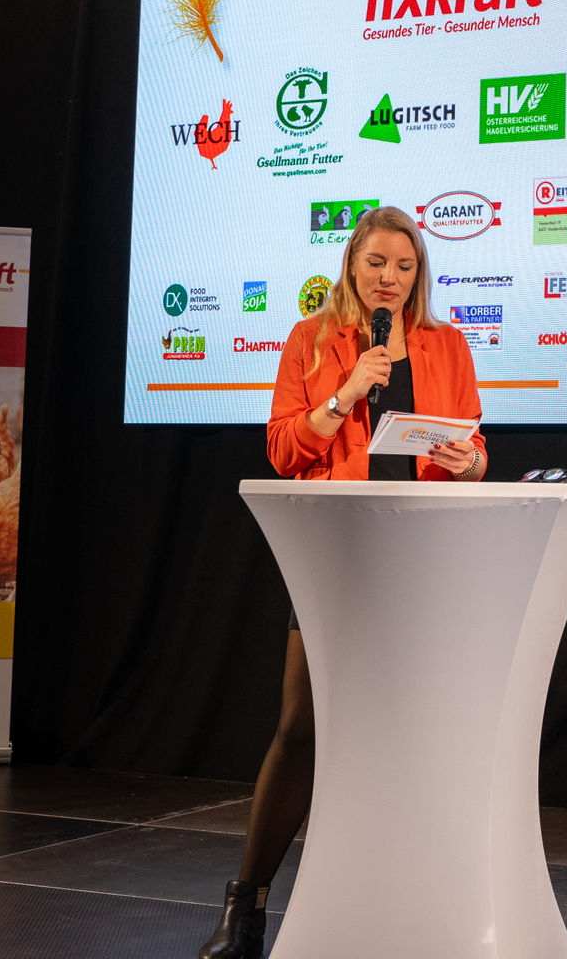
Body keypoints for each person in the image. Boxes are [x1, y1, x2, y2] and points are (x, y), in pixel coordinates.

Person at [198, 205, 486, 959]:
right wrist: (346, 392)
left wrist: (470, 461)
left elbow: (473, 441)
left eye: (405, 266)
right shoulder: (312, 339)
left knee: (411, 730)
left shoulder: (447, 343)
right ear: (351, 265)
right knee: (301, 725)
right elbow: (283, 451)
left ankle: (405, 903)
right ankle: (247, 904)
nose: (390, 278)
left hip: (423, 551)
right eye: (376, 263)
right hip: (336, 548)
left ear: (418, 275)